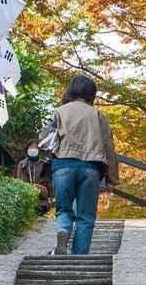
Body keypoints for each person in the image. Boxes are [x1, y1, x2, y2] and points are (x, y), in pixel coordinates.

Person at [46, 75, 118, 255]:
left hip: (63, 164)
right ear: (92, 94)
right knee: (85, 216)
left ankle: (63, 229)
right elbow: (109, 147)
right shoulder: (97, 115)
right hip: (90, 168)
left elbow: (44, 138)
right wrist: (112, 178)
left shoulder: (59, 112)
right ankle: (79, 256)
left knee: (64, 208)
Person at [15, 139, 53, 215]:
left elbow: (47, 185)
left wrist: (41, 188)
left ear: (39, 150)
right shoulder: (22, 164)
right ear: (27, 149)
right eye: (30, 147)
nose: (33, 149)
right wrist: (32, 187)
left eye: (35, 148)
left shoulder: (44, 164)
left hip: (42, 201)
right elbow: (20, 183)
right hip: (26, 199)